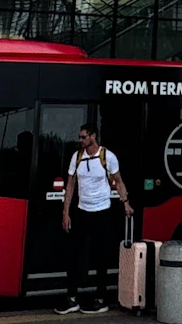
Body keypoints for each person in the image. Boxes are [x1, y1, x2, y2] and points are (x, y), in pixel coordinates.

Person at [56, 124, 132, 315]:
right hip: (82, 211)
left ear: (93, 136)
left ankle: (101, 299)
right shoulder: (77, 157)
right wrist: (66, 212)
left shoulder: (108, 157)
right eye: (79, 137)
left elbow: (119, 181)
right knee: (75, 255)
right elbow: (70, 184)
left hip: (102, 211)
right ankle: (72, 298)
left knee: (101, 256)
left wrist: (126, 203)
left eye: (83, 137)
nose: (80, 140)